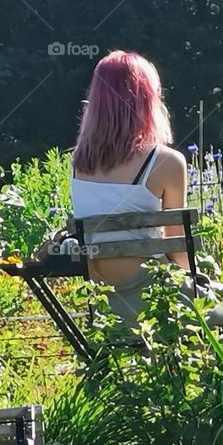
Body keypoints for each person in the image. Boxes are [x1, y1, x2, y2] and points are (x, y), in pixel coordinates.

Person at [70, 50, 191, 327]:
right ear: (147, 100)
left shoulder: (78, 164)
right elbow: (180, 253)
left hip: (104, 305)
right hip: (158, 302)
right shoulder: (165, 162)